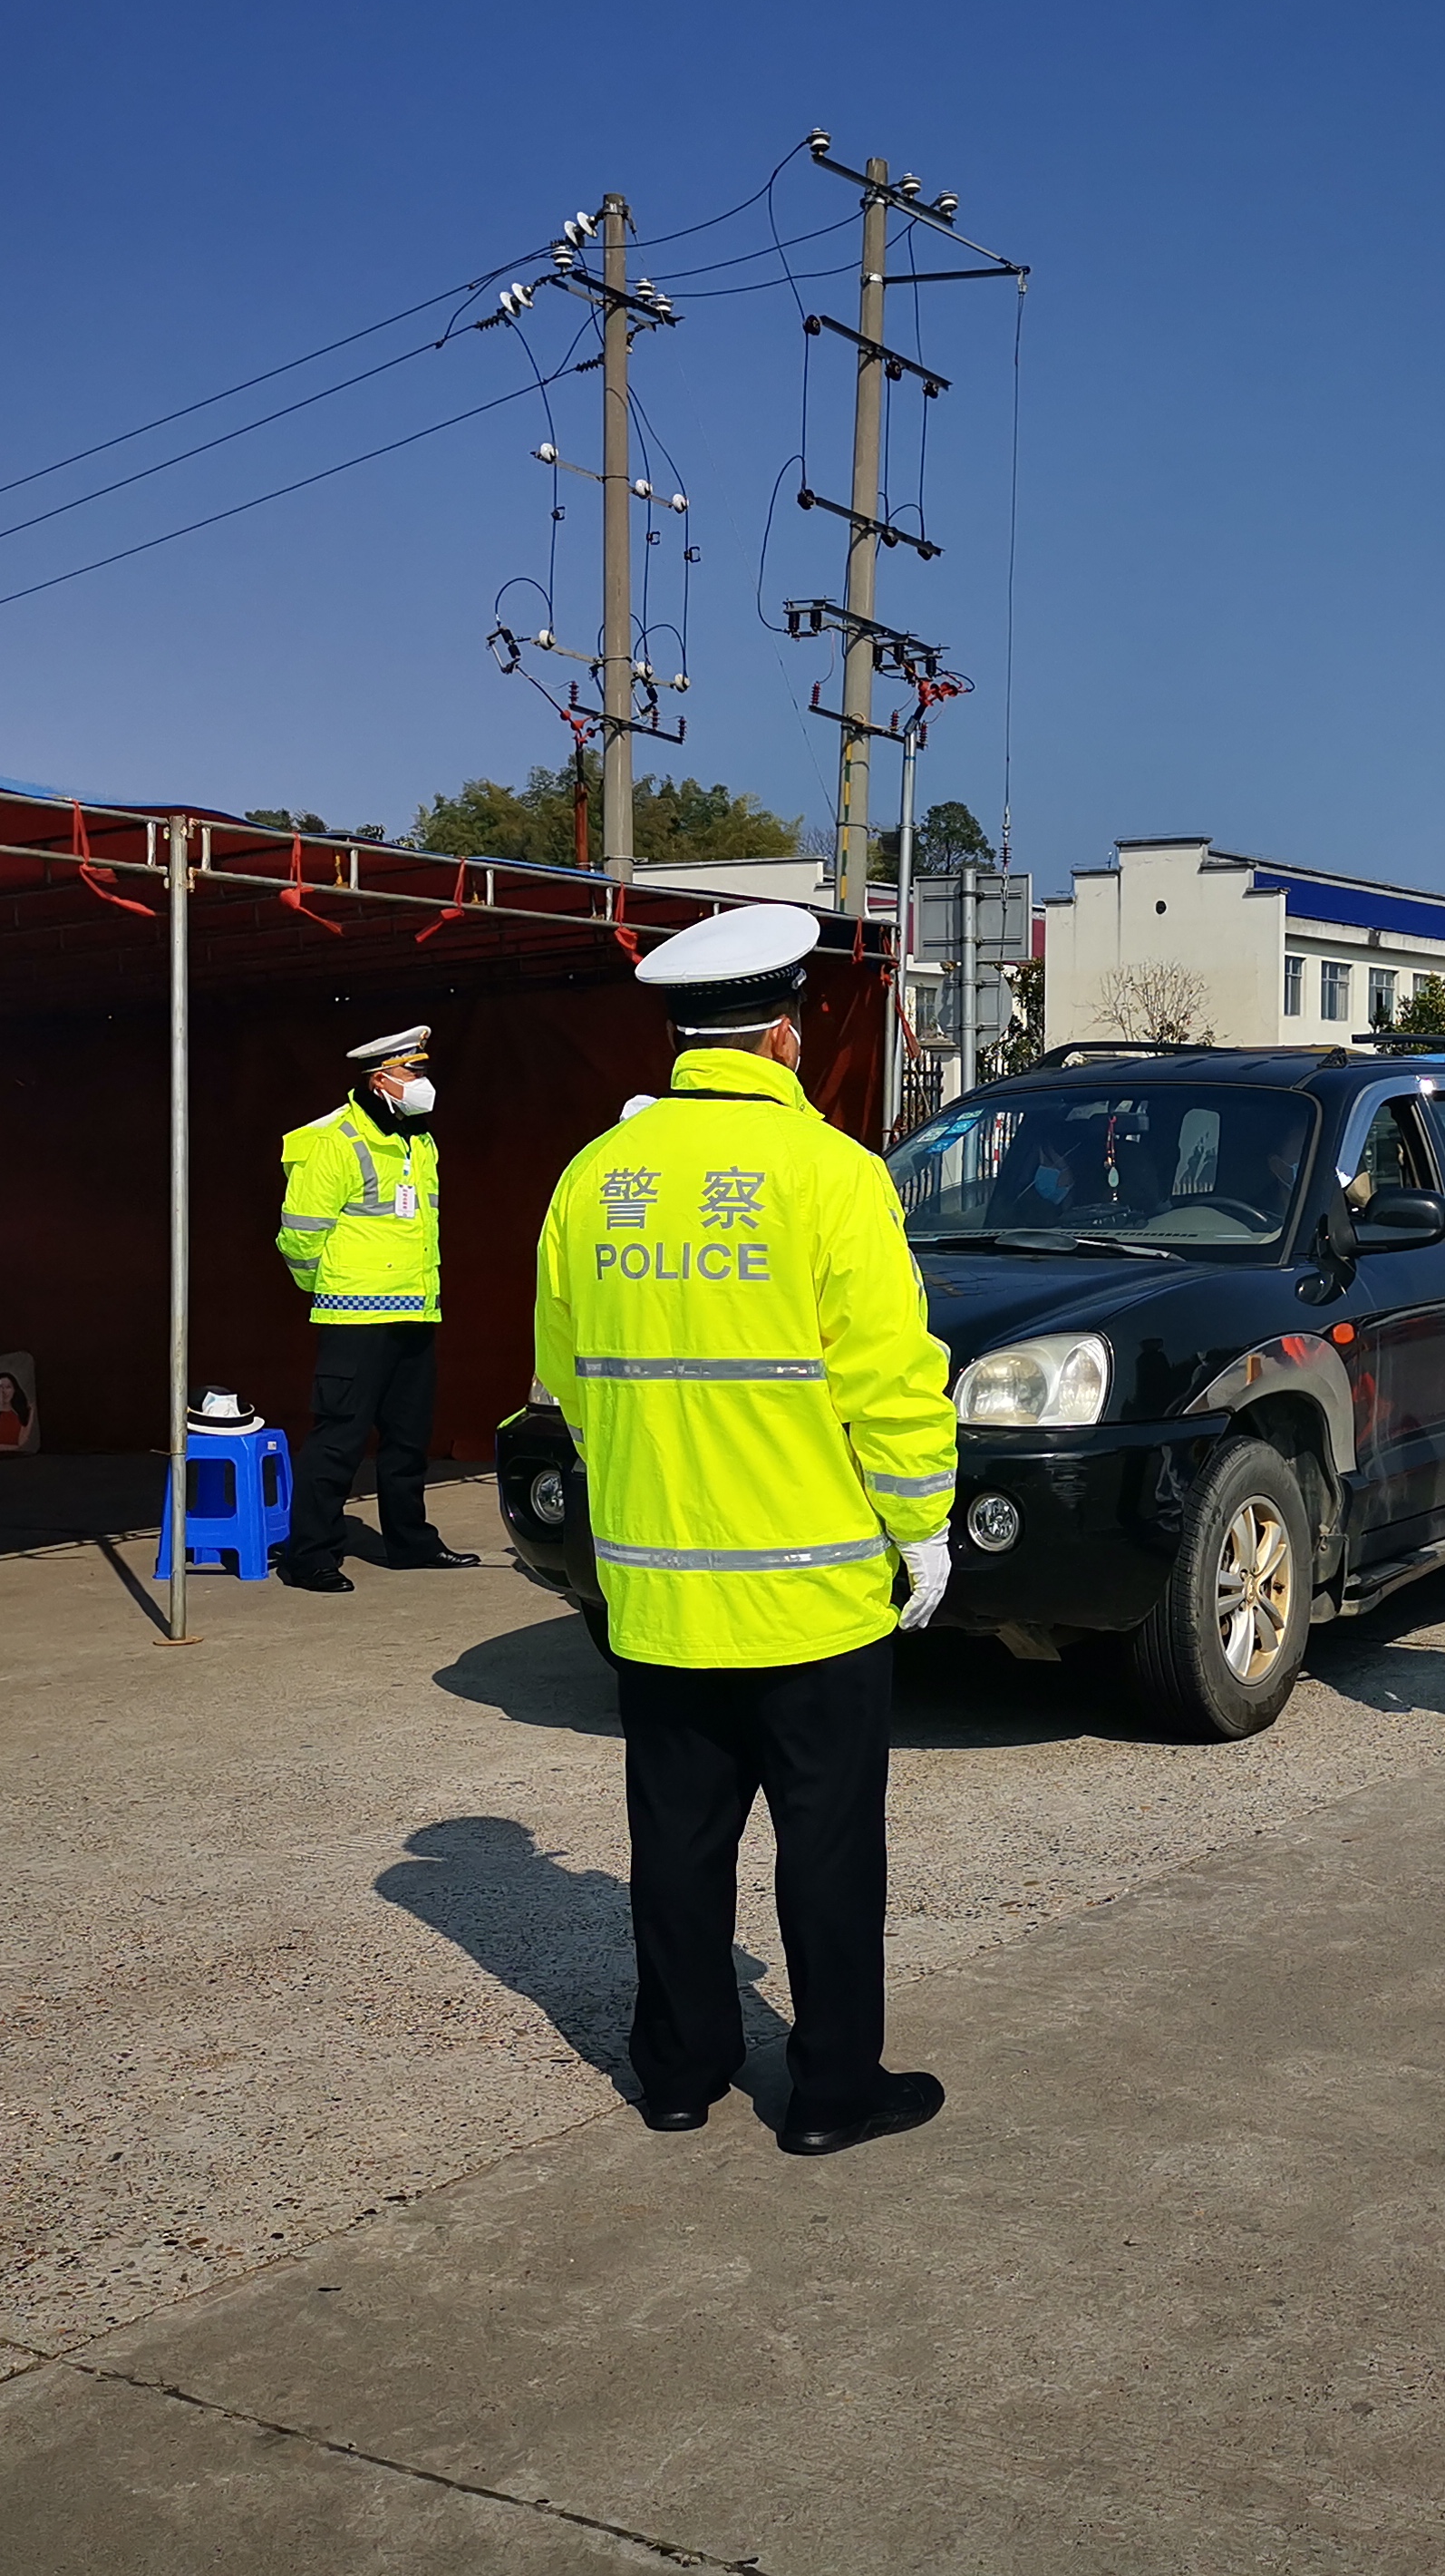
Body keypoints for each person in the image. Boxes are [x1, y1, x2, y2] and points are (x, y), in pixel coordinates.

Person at [531, 905, 958, 2156]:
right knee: (827, 1849)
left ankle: (678, 2074)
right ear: (784, 1034)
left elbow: (563, 1378)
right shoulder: (832, 1175)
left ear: (680, 1036)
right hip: (812, 1597)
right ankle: (830, 2093)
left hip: (658, 1596)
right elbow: (891, 1383)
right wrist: (921, 1528)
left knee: (675, 1844)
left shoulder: (592, 1179)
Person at [274, 1026, 478, 1592]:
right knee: (339, 1439)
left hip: (414, 1310)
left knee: (409, 1439)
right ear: (381, 1079)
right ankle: (310, 1555)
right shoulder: (337, 1140)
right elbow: (299, 1232)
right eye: (414, 1072)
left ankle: (411, 1543)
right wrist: (326, 1286)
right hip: (355, 1317)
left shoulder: (418, 1140)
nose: (423, 1082)